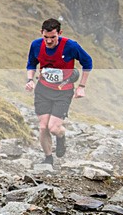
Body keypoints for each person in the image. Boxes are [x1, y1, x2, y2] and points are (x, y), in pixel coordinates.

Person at [25, 18, 92, 164]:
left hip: (63, 91)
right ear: (41, 33)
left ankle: (61, 137)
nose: (49, 41)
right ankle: (48, 158)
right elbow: (31, 63)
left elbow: (88, 62)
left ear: (59, 33)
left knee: (54, 128)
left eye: (53, 37)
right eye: (46, 37)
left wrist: (81, 87)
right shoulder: (36, 45)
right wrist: (30, 80)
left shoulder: (71, 46)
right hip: (43, 90)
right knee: (43, 127)